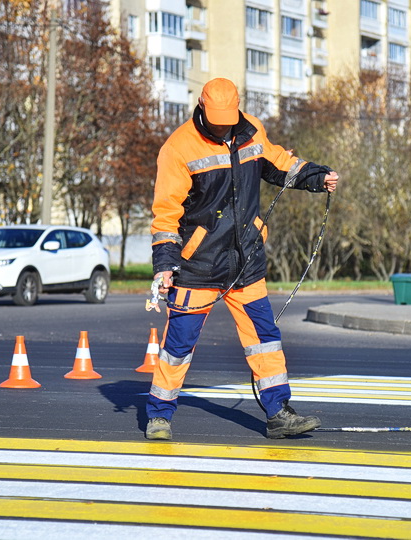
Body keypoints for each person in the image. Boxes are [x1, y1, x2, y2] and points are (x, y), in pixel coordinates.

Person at [146, 78, 339, 440]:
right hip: (196, 265)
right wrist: (165, 265)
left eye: (228, 117)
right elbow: (166, 214)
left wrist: (317, 176)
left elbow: (280, 163)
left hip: (245, 260)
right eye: (216, 117)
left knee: (264, 339)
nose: (223, 124)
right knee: (179, 345)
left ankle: (279, 412)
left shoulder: (251, 132)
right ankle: (159, 414)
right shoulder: (179, 148)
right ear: (202, 108)